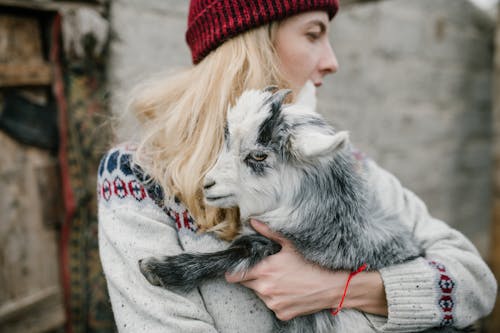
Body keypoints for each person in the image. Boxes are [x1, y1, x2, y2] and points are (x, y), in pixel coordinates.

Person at [97, 0, 497, 332]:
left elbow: (474, 282)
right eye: (313, 33)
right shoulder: (136, 178)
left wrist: (340, 289)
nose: (331, 61)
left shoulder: (342, 168)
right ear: (251, 44)